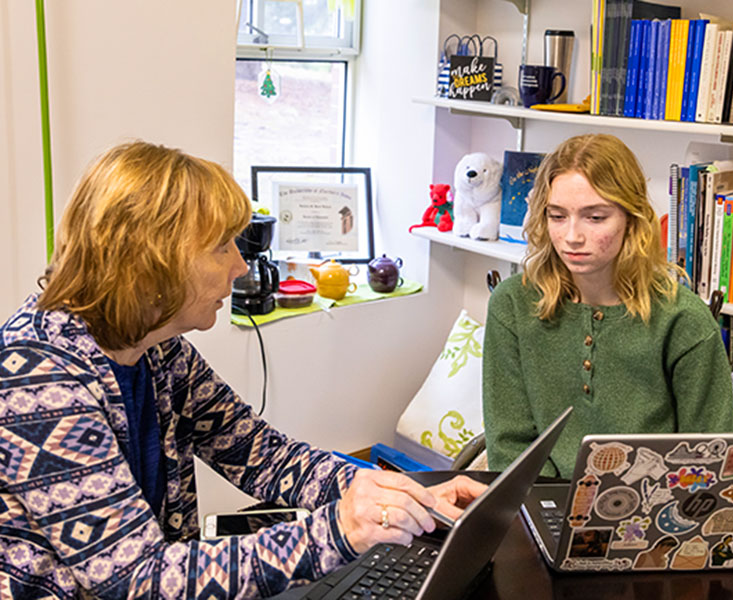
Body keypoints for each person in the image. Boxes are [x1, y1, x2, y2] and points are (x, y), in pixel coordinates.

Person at [0, 141, 486, 599]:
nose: (239, 266)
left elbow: (263, 454)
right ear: (151, 262)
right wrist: (340, 530)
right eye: (221, 247)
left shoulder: (157, 350)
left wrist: (400, 493)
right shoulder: (37, 381)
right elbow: (137, 580)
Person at [483, 133, 733, 477]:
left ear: (632, 220)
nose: (572, 236)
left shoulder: (684, 320)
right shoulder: (512, 304)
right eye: (557, 216)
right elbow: (509, 447)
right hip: (540, 503)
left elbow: (710, 458)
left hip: (649, 514)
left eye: (595, 218)